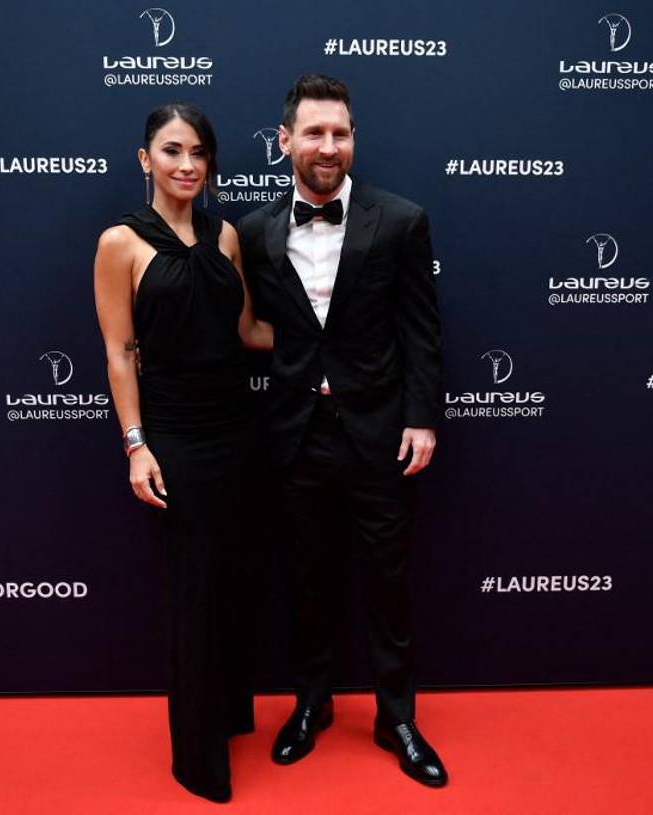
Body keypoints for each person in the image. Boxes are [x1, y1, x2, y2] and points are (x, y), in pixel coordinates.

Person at [237, 75, 446, 787]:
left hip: (379, 434)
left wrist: (422, 417)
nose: (330, 146)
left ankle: (397, 717)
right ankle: (311, 703)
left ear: (353, 138)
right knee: (306, 580)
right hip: (296, 434)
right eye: (316, 132)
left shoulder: (402, 220)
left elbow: (421, 330)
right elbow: (248, 328)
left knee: (386, 582)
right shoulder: (255, 232)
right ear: (285, 139)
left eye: (342, 132)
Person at [93, 102, 272, 803]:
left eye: (199, 152)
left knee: (230, 579)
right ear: (145, 159)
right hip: (174, 435)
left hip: (236, 428)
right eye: (172, 151)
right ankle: (198, 759)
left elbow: (250, 330)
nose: (187, 164)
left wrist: (331, 347)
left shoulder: (225, 234)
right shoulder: (120, 243)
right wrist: (136, 445)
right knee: (192, 588)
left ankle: (227, 714)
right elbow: (117, 352)